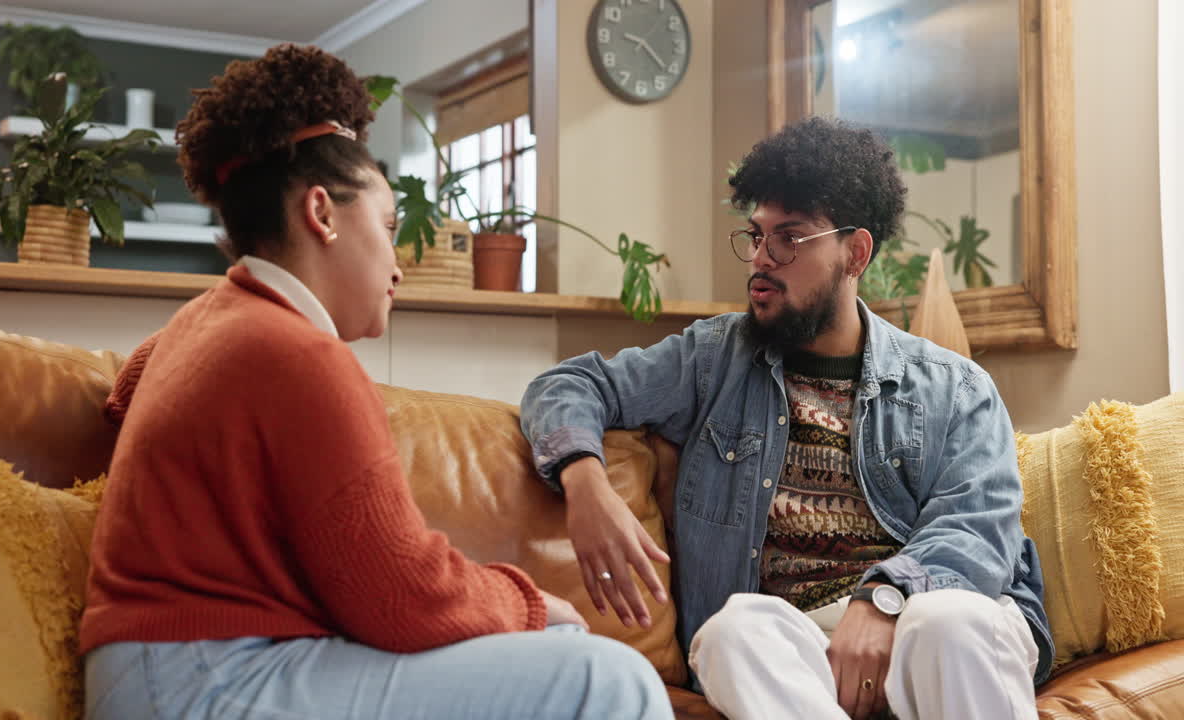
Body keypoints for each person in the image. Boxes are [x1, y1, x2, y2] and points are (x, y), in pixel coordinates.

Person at [79, 44, 672, 720]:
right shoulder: (299, 356)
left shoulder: (203, 323)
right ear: (322, 213)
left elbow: (122, 397)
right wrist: (528, 601)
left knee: (557, 654)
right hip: (204, 681)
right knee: (608, 680)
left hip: (155, 673)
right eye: (388, 227)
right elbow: (400, 599)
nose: (397, 263)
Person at [520, 116, 1052, 720]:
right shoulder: (711, 358)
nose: (760, 260)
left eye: (789, 239)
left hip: (927, 616)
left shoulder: (954, 387)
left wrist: (884, 597)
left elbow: (977, 529)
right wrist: (585, 482)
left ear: (855, 253)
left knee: (945, 623)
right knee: (730, 633)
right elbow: (569, 384)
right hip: (801, 648)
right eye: (756, 236)